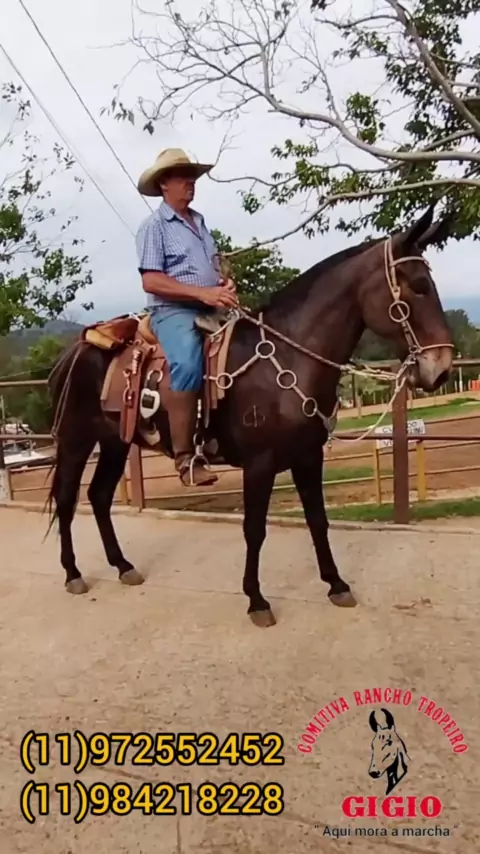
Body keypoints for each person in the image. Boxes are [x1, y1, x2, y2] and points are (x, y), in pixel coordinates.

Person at [135, 148, 239, 486]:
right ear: (164, 184)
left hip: (211, 308)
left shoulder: (200, 223)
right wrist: (202, 294)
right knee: (187, 364)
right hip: (172, 311)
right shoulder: (154, 227)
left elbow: (212, 269)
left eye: (191, 176)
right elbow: (151, 281)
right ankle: (185, 459)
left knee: (250, 349)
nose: (190, 182)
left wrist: (222, 284)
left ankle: (224, 433)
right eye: (182, 177)